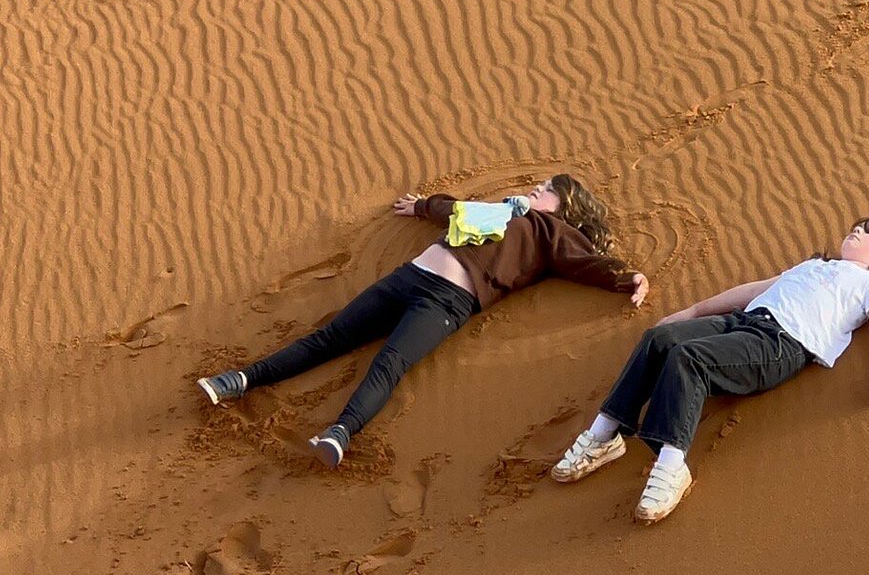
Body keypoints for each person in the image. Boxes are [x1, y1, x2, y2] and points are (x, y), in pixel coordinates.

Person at [197, 177, 649, 466]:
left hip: (447, 301)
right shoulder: (504, 211)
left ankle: (341, 432)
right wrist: (421, 207)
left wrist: (628, 277)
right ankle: (238, 380)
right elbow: (457, 212)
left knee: (391, 363)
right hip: (407, 279)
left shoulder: (552, 234)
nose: (536, 188)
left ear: (565, 206)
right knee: (329, 337)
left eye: (548, 188)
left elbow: (588, 263)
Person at [551, 217, 869, 523]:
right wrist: (692, 312)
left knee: (689, 359)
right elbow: (751, 290)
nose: (857, 230)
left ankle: (672, 466)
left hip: (782, 344)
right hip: (741, 322)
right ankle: (604, 436)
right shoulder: (814, 266)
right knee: (659, 339)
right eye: (858, 225)